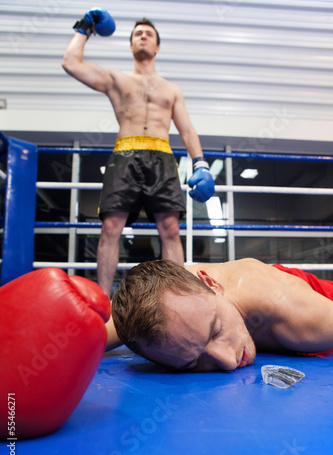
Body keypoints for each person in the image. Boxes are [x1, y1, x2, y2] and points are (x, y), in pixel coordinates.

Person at [62, 8, 214, 299]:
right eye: (137, 34)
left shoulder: (171, 89)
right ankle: (103, 304)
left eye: (149, 34)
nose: (143, 36)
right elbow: (70, 62)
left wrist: (201, 165)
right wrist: (85, 28)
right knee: (110, 228)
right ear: (131, 44)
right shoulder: (116, 79)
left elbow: (187, 131)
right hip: (125, 155)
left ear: (157, 47)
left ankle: (176, 301)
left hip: (162, 157)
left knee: (170, 229)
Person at [111, 258, 333, 371]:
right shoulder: (162, 300)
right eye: (194, 363)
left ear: (212, 285)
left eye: (215, 331)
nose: (227, 361)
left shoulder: (301, 318)